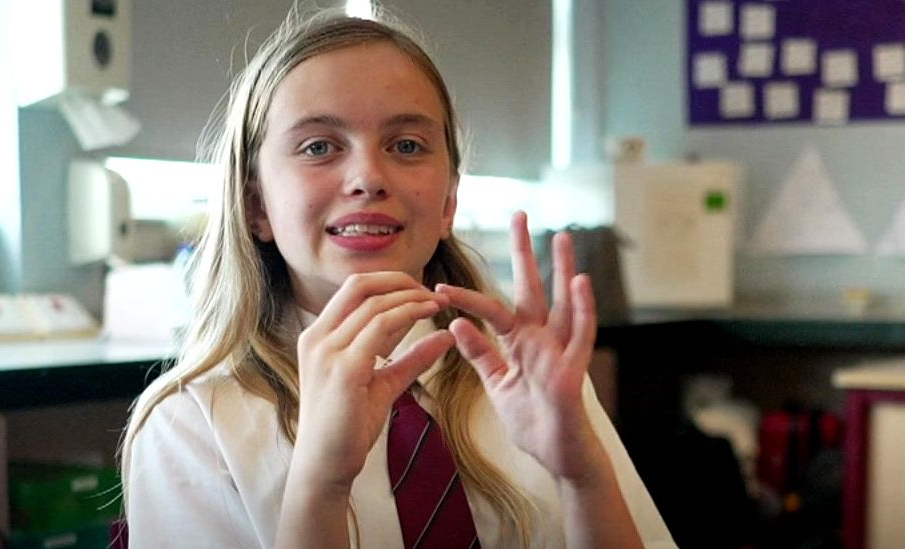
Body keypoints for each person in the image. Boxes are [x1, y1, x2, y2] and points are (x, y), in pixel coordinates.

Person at [121, 7, 677, 549]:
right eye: (319, 147)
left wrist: (583, 478)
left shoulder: (531, 380)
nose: (368, 176)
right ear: (256, 205)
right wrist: (320, 482)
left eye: (406, 146)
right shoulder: (189, 425)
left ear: (449, 201)